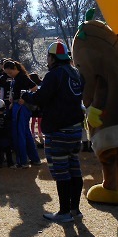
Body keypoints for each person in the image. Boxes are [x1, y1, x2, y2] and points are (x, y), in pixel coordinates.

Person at [21, 41, 85, 223]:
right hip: (75, 130)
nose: (47, 60)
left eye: (48, 57)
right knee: (74, 168)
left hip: (58, 130)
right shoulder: (76, 74)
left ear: (53, 58)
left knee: (61, 171)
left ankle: (64, 212)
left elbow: (40, 98)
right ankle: (75, 210)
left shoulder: (54, 75)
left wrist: (26, 96)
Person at [3, 59, 40, 168]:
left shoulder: (22, 77)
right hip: (17, 106)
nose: (9, 75)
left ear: (14, 69)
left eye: (10, 72)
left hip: (21, 108)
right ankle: (34, 159)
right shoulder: (16, 78)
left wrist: (25, 98)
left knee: (19, 134)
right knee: (26, 134)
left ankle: (22, 161)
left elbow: (34, 88)